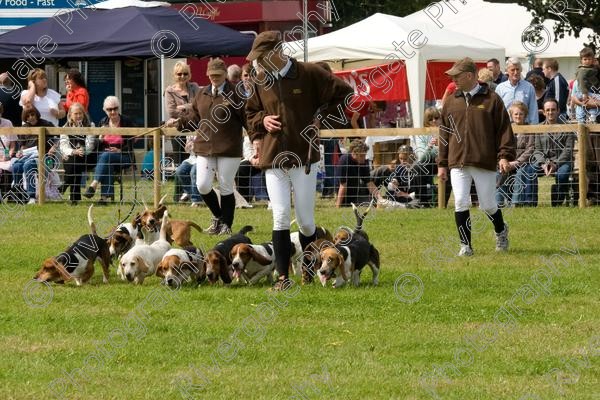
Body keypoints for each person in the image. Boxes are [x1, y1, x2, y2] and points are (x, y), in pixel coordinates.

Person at [245, 30, 354, 288]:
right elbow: (250, 112)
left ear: (276, 52)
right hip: (273, 157)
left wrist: (321, 118)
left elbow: (345, 94)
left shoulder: (309, 73)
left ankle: (307, 271)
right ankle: (283, 278)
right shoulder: (259, 79)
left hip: (305, 157)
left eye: (261, 57)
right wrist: (262, 120)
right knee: (280, 215)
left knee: (306, 222)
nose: (256, 62)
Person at [438, 57, 515, 256]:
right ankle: (466, 246)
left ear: (470, 75)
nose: (453, 79)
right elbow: (444, 133)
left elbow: (504, 130)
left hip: (484, 159)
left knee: (487, 205)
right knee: (461, 201)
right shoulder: (451, 101)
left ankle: (501, 229)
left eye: (457, 75)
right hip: (457, 161)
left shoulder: (492, 99)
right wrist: (442, 163)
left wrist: (504, 155)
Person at [185, 58, 246, 235]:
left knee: (226, 185)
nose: (214, 78)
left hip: (229, 148)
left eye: (218, 75)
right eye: (211, 75)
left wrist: (257, 138)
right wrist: (178, 122)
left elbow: (246, 118)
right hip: (204, 146)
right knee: (202, 185)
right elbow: (195, 118)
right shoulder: (201, 93)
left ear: (225, 74)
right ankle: (220, 218)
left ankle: (226, 224)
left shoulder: (236, 94)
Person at [84, 96, 136, 204]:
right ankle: (105, 198)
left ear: (119, 108)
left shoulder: (126, 121)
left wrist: (120, 150)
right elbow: (96, 145)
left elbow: (132, 141)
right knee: (107, 160)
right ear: (105, 110)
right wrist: (100, 138)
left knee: (106, 156)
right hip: (106, 157)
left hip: (124, 156)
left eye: (115, 108)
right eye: (109, 109)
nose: (113, 112)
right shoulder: (103, 122)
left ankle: (94, 183)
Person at [533, 98, 574, 207]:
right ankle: (529, 203)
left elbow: (568, 150)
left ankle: (557, 203)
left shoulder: (567, 127)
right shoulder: (539, 128)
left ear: (558, 110)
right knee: (529, 170)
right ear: (544, 112)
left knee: (562, 174)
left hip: (563, 162)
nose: (550, 112)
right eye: (548, 110)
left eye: (553, 109)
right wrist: (543, 163)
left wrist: (555, 164)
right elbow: (537, 149)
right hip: (544, 162)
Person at [12, 106, 56, 204]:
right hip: (28, 155)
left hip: (44, 157)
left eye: (32, 115)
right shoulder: (24, 128)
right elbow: (22, 146)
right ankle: (20, 195)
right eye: (27, 116)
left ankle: (31, 196)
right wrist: (20, 152)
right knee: (16, 166)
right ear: (25, 118)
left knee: (28, 165)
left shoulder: (47, 124)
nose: (30, 117)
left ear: (36, 114)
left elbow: (57, 138)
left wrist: (54, 147)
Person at [496, 101, 536, 207]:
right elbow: (502, 147)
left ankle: (515, 203)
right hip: (508, 161)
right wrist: (506, 161)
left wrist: (516, 162)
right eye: (516, 114)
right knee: (499, 171)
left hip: (523, 163)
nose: (518, 116)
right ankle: (498, 203)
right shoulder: (506, 129)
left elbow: (530, 149)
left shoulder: (530, 129)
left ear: (525, 115)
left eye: (521, 114)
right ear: (511, 115)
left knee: (520, 172)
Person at [164, 61, 201, 166]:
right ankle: (180, 183)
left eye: (185, 73)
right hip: (178, 129)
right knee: (179, 163)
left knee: (196, 162)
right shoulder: (169, 91)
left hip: (195, 128)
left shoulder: (194, 87)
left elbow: (200, 105)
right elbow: (171, 111)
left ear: (189, 75)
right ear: (174, 75)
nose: (182, 76)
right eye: (179, 74)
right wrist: (191, 108)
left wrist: (184, 107)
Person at [59, 102, 96, 205]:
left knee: (75, 161)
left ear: (84, 114)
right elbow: (63, 146)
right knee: (74, 161)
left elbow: (90, 145)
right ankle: (74, 198)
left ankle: (65, 185)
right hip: (71, 157)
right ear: (70, 115)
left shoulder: (90, 125)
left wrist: (83, 150)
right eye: (76, 114)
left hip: (88, 156)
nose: (79, 116)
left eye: (80, 113)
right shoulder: (65, 127)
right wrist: (73, 151)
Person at [336, 139, 380, 207]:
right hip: (347, 197)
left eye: (365, 155)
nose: (364, 158)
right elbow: (342, 186)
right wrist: (337, 207)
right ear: (353, 153)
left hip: (358, 191)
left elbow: (369, 183)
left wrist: (380, 199)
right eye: (361, 156)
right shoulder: (344, 161)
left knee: (377, 202)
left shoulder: (363, 162)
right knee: (370, 206)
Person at [495, 57, 539, 125]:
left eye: (517, 69)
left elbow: (533, 110)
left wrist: (533, 130)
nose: (515, 72)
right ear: (507, 71)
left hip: (525, 128)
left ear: (521, 70)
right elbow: (496, 110)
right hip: (506, 127)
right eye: (512, 70)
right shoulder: (500, 88)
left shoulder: (529, 87)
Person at [173, 135, 202, 206]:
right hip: (191, 159)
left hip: (202, 158)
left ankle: (196, 200)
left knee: (193, 172)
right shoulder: (189, 132)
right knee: (179, 171)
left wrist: (196, 147)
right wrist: (188, 146)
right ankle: (189, 192)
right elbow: (186, 150)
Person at [575, 47, 600, 122]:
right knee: (586, 105)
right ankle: (584, 118)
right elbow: (581, 82)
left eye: (589, 59)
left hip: (590, 92)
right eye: (585, 59)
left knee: (590, 106)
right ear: (581, 60)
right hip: (585, 92)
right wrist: (584, 94)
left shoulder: (591, 68)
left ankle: (589, 117)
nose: (587, 61)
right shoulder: (583, 70)